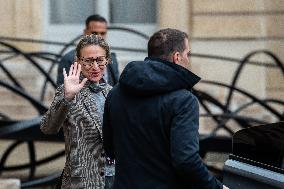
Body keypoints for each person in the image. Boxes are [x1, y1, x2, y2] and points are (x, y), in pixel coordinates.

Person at [103, 28, 229, 189]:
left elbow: (110, 148)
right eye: (187, 54)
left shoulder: (115, 93)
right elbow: (186, 160)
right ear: (177, 57)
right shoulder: (184, 100)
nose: (188, 60)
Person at [41, 34, 112, 189]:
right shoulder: (67, 91)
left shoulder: (113, 93)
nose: (94, 67)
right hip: (82, 181)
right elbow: (48, 128)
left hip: (114, 178)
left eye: (99, 60)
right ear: (78, 61)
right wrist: (67, 98)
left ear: (107, 60)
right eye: (88, 61)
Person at [57, 14, 119, 86]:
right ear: (85, 32)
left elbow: (117, 87)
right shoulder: (69, 59)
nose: (99, 37)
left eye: (102, 33)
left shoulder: (112, 58)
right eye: (94, 33)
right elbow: (62, 91)